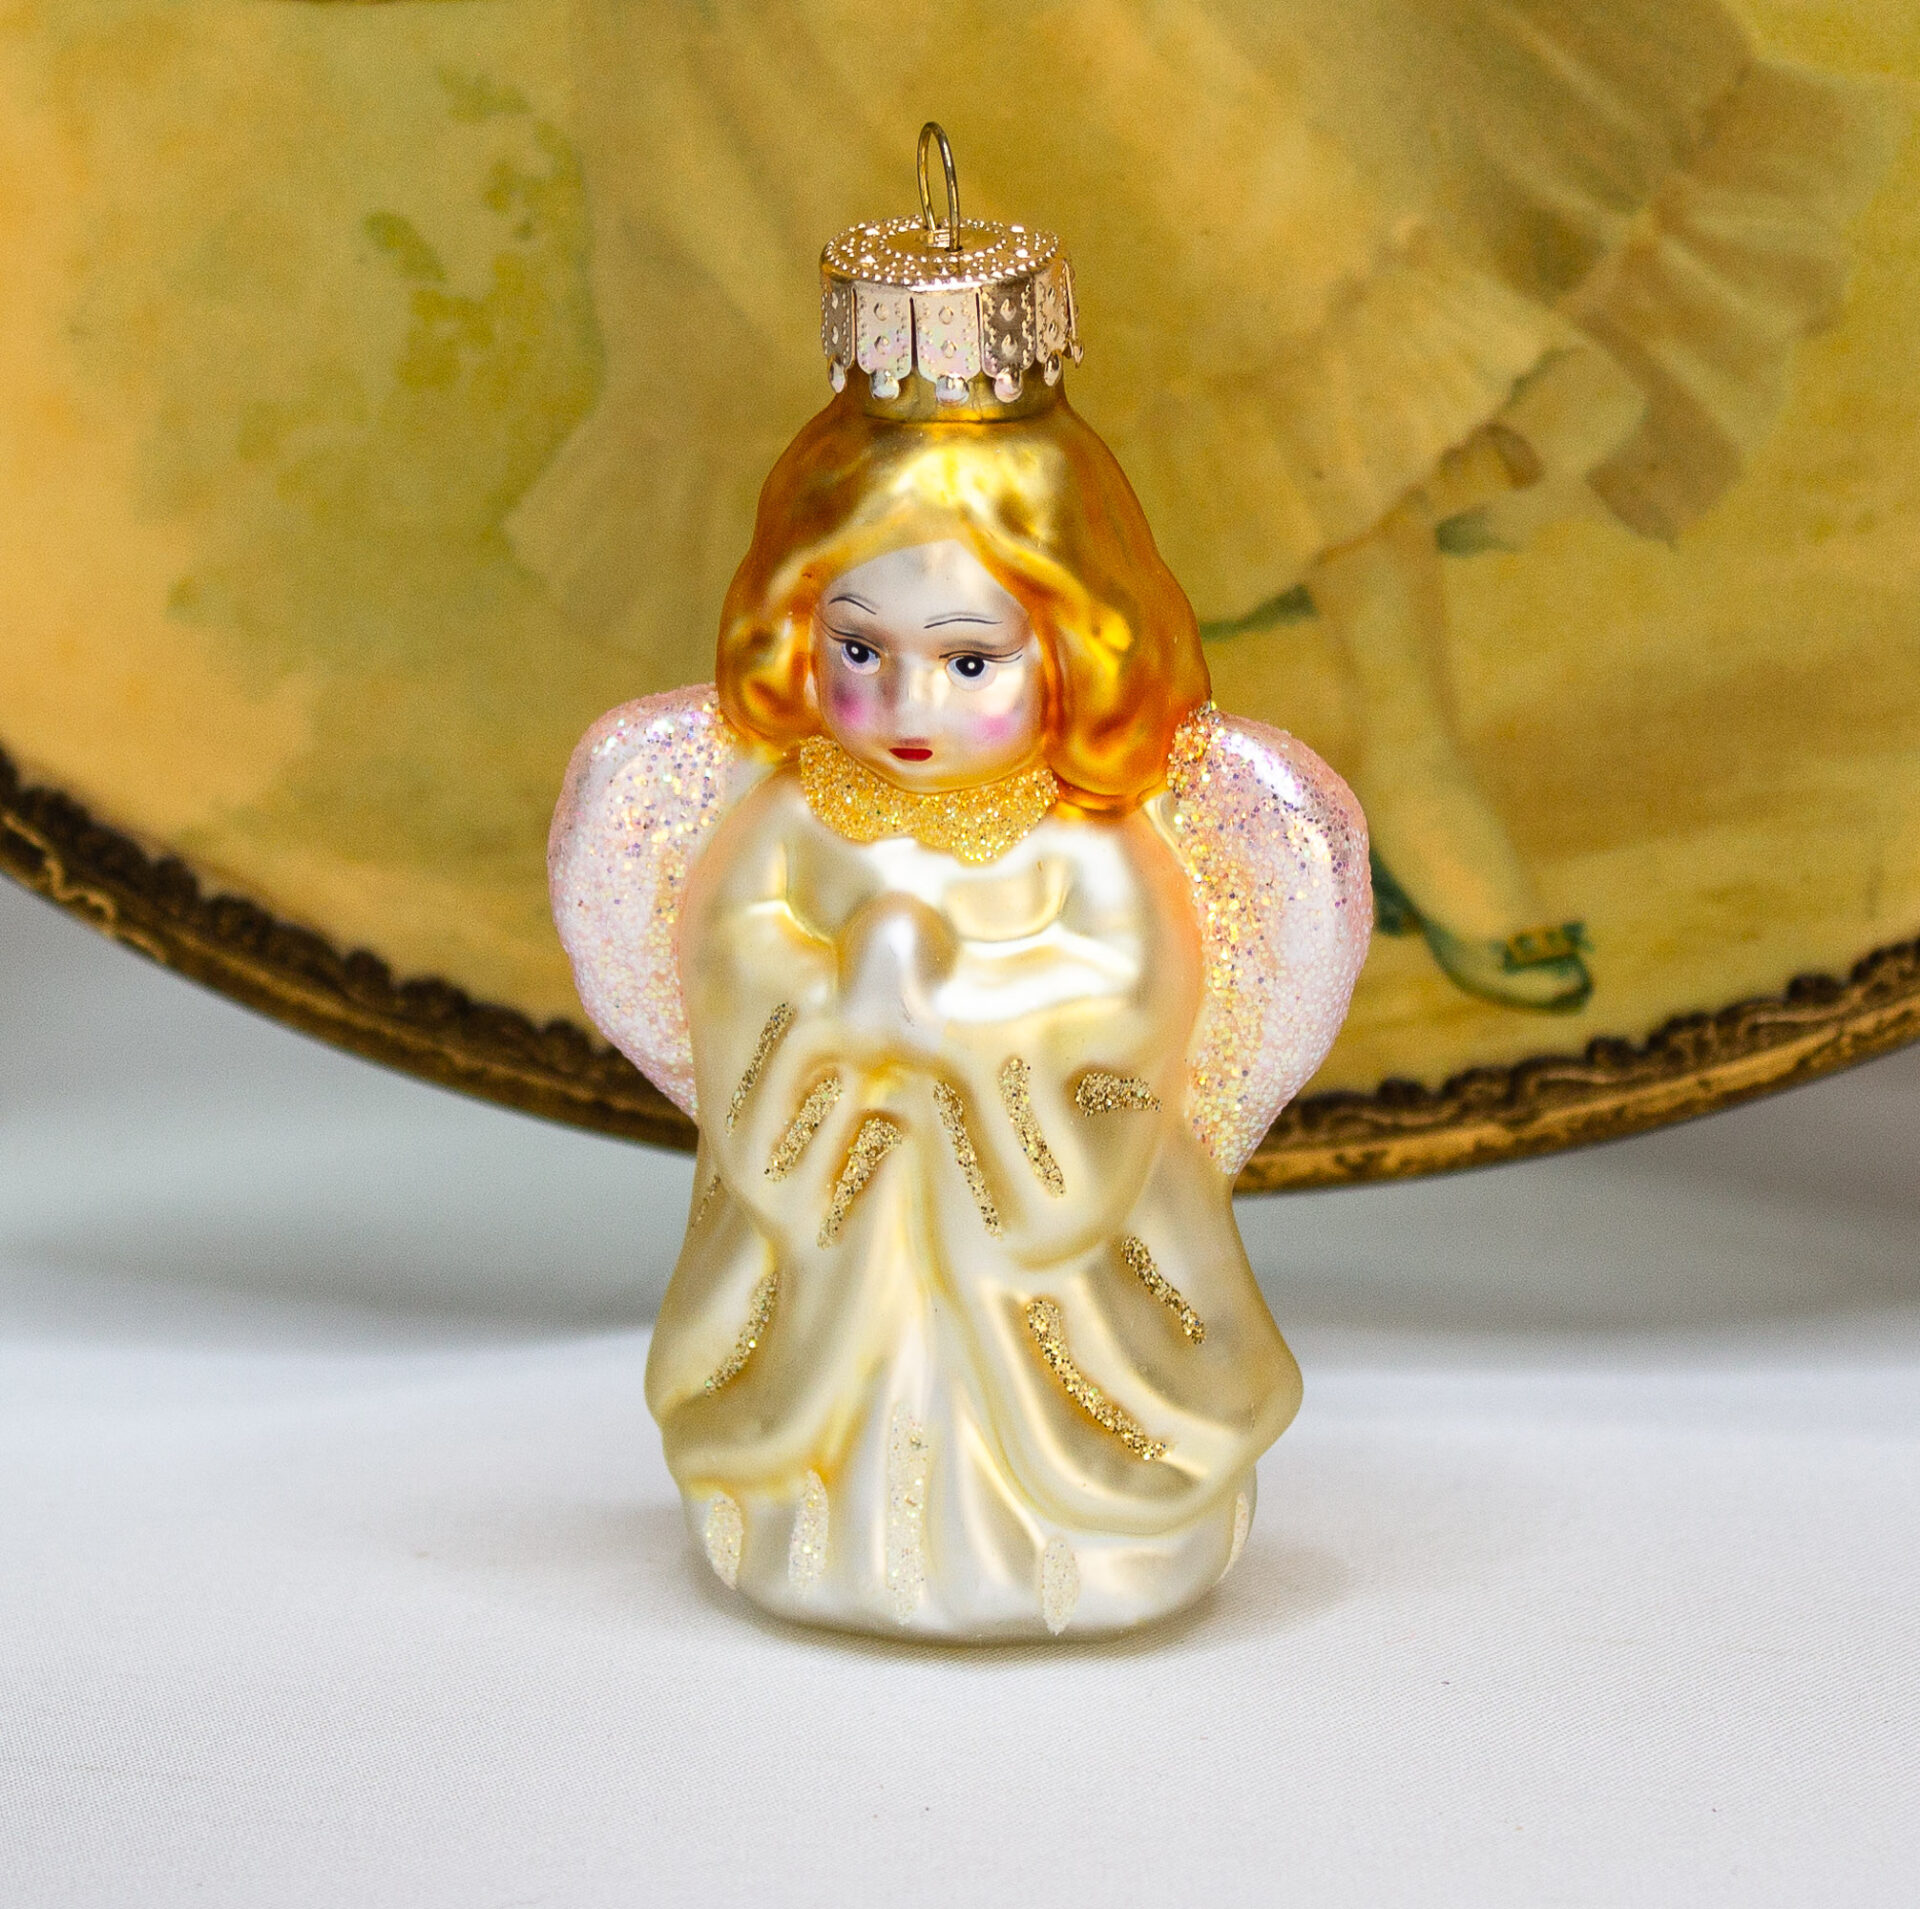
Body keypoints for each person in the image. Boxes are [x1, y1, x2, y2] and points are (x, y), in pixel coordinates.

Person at [549, 205, 1371, 1636]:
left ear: (1074, 647)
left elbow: (1129, 997)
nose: (906, 703)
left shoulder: (1088, 841)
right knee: (832, 1335)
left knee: (1038, 1338)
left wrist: (964, 1025)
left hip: (1029, 1201)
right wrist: (831, 1009)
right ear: (795, 625)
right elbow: (731, 955)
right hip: (841, 1183)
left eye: (969, 659)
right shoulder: (793, 816)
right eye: (859, 649)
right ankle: (809, 1518)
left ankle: (1082, 1529)